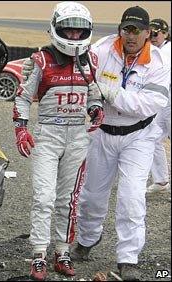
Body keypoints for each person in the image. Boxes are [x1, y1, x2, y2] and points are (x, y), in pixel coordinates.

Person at [70, 6, 170, 281]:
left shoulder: (159, 63)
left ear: (148, 33)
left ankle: (128, 258)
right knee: (91, 196)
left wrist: (113, 93)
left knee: (131, 197)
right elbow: (78, 68)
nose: (131, 35)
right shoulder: (102, 50)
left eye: (137, 30)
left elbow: (149, 104)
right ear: (120, 29)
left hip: (138, 137)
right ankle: (87, 241)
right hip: (101, 133)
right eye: (127, 29)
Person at [13, 2, 103, 280]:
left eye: (79, 32)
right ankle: (39, 254)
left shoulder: (91, 60)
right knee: (44, 198)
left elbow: (94, 92)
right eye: (69, 31)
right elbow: (23, 96)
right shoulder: (41, 60)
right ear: (57, 29)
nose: (75, 37)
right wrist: (21, 129)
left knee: (68, 200)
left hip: (78, 135)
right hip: (48, 135)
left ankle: (62, 251)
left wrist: (96, 108)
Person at [146, 18, 171, 195]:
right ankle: (161, 180)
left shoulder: (167, 51)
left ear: (165, 34)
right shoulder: (153, 50)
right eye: (150, 33)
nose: (153, 37)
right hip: (161, 101)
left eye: (156, 33)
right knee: (153, 137)